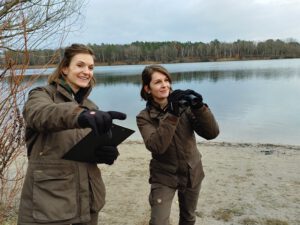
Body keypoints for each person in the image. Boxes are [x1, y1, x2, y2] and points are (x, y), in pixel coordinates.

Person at [18, 44, 126, 225]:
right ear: (65, 68)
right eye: (80, 65)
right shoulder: (41, 95)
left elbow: (84, 149)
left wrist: (106, 153)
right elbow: (40, 115)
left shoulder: (91, 106)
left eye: (91, 68)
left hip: (88, 204)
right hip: (50, 207)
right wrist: (80, 115)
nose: (87, 71)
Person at [136, 65, 219, 225]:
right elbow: (157, 146)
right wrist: (173, 114)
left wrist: (199, 108)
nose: (165, 85)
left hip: (191, 171)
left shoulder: (185, 107)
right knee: (158, 221)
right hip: (163, 176)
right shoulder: (144, 117)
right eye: (158, 82)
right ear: (147, 88)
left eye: (166, 80)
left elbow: (212, 133)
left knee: (188, 218)